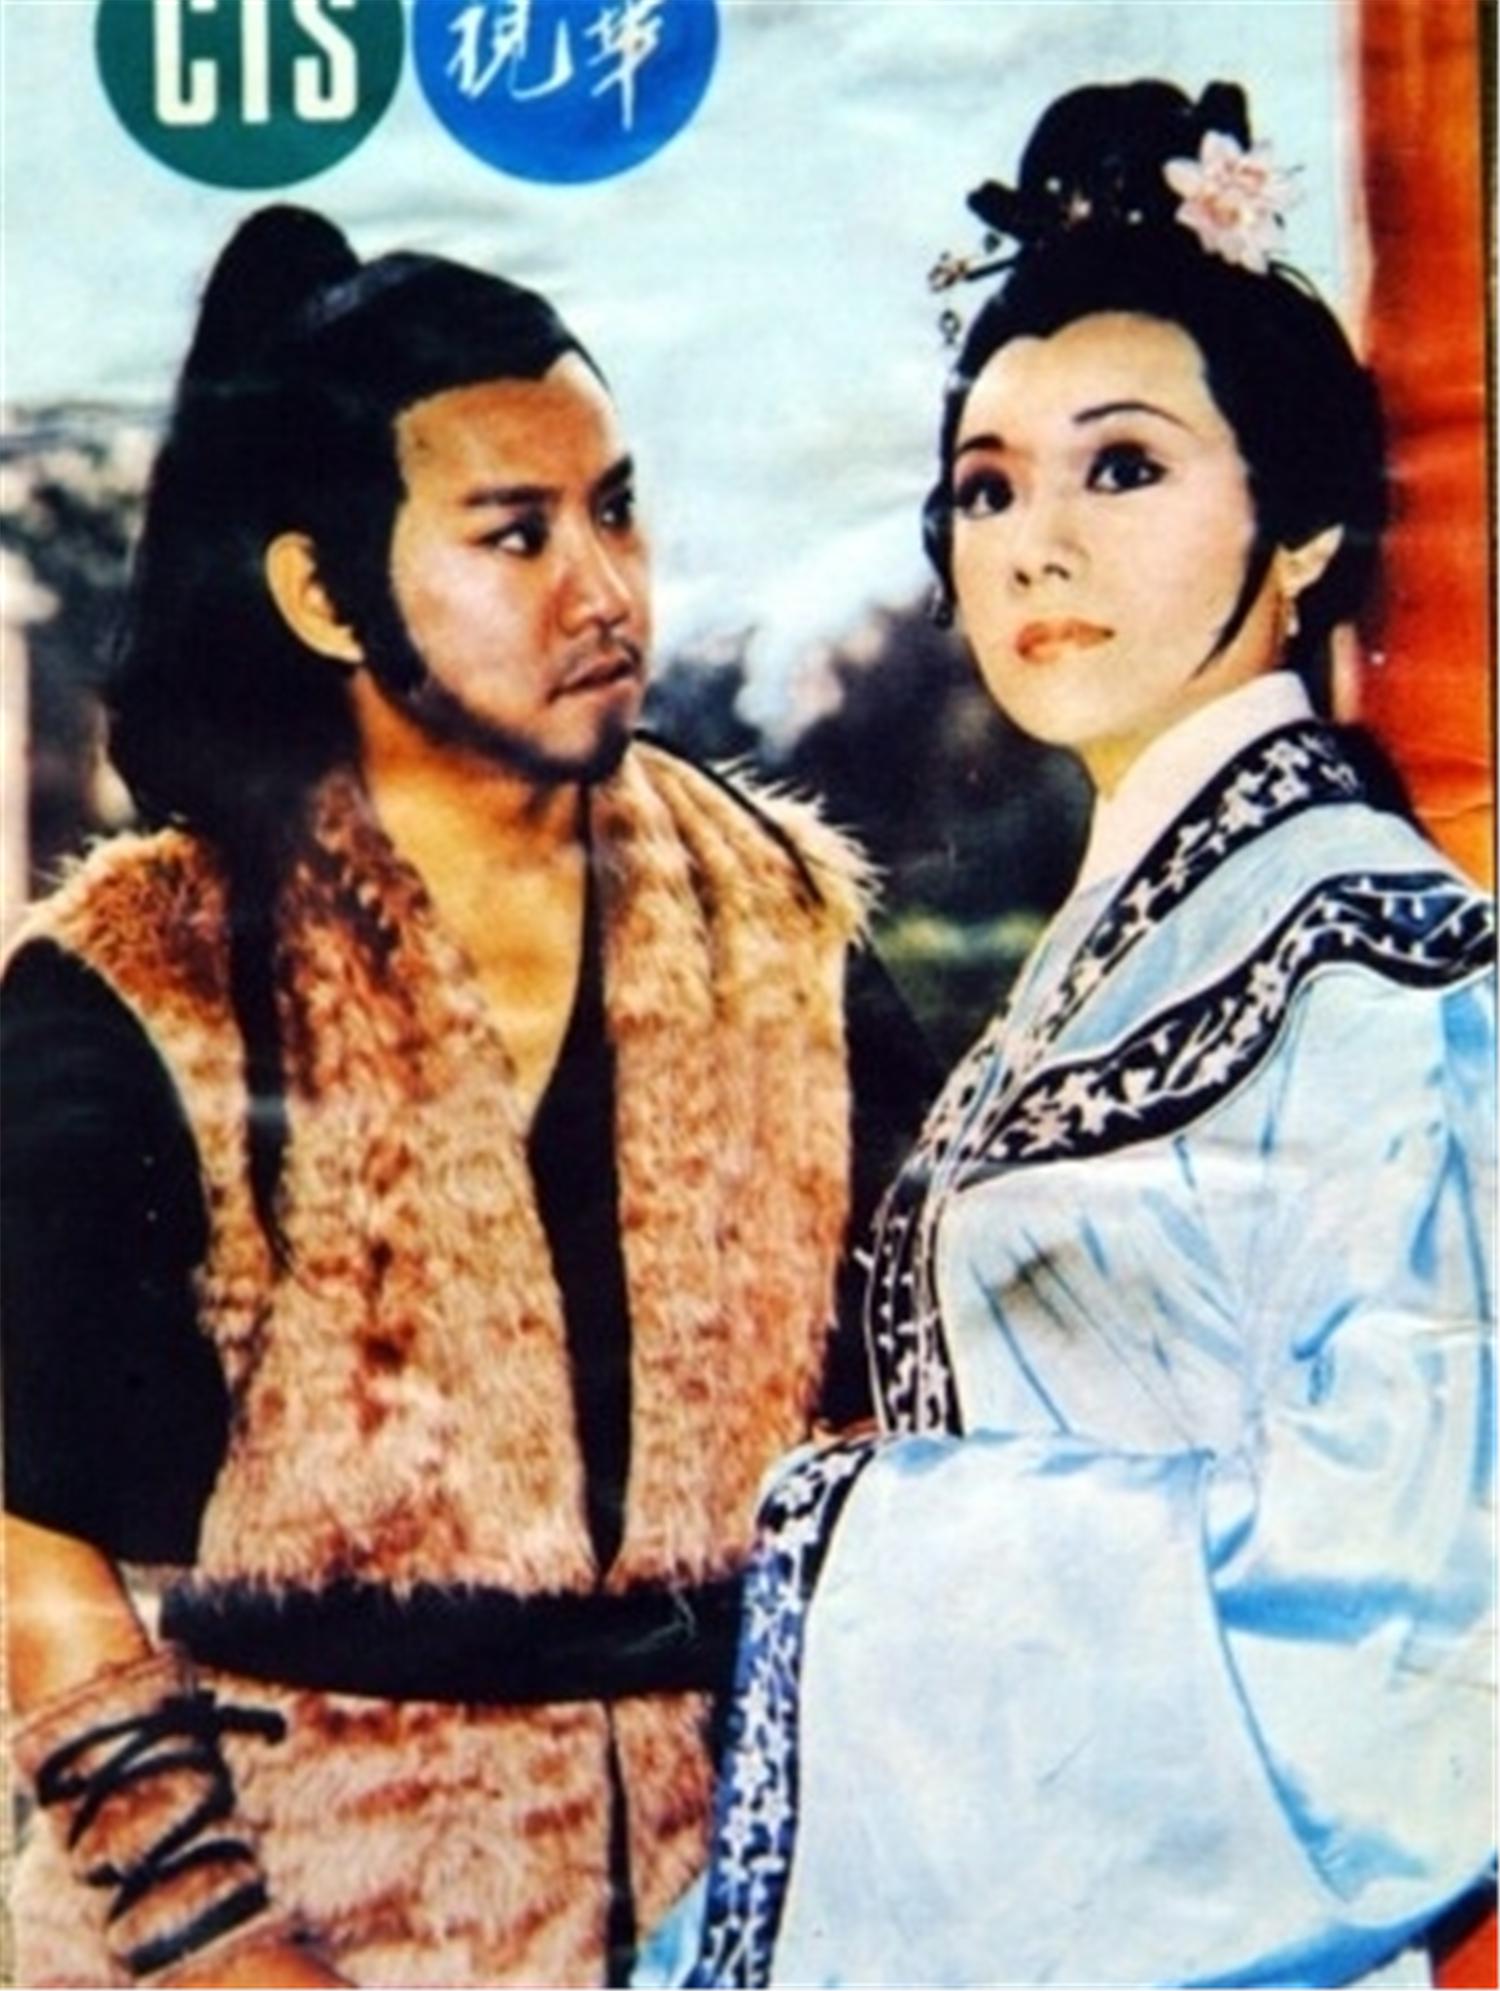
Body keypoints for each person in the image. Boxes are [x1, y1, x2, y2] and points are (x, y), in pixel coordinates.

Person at [1, 207, 934, 1988]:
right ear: (322, 594)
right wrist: (217, 1943)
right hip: (287, 1900)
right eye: (517, 535)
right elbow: (31, 1536)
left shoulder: (781, 924)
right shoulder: (144, 979)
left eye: (618, 511)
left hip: (732, 1916)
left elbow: (916, 1409)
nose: (605, 592)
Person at [644, 79, 1497, 1989]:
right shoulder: (1116, 944)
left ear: (1304, 528)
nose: (1034, 545)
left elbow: (1423, 1633)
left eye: (1122, 469)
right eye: (988, 486)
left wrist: (863, 1534)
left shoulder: (1381, 969)